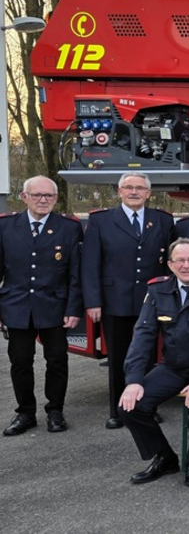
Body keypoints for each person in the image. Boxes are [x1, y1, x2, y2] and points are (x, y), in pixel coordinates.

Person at [118, 238, 189, 486]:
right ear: (170, 264)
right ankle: (164, 457)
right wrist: (134, 380)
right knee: (130, 406)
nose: (186, 265)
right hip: (173, 367)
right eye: (180, 260)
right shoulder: (157, 290)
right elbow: (142, 336)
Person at [82, 171, 176, 429]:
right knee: (119, 357)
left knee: (148, 357)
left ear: (148, 193)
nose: (134, 192)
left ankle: (145, 406)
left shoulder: (162, 220)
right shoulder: (101, 221)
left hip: (151, 301)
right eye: (129, 187)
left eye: (140, 188)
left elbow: (170, 265)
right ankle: (118, 410)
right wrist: (93, 302)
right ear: (119, 192)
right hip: (114, 301)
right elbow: (90, 265)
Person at [0, 176, 83, 436]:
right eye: (37, 195)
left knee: (56, 360)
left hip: (55, 307)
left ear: (56, 198)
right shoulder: (5, 226)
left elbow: (76, 274)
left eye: (49, 195)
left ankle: (55, 410)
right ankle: (25, 413)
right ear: (24, 197)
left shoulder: (69, 228)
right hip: (16, 306)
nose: (43, 200)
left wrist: (73, 309)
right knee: (20, 361)